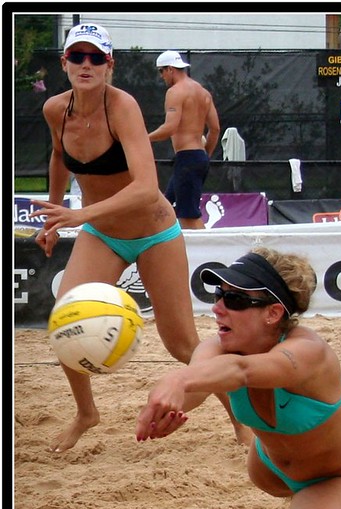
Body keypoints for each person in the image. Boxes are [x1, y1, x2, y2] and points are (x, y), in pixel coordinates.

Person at [33, 23, 248, 452]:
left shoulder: (122, 106)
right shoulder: (56, 109)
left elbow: (147, 188)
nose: (86, 64)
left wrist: (79, 213)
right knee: (65, 321)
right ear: (65, 64)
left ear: (110, 65)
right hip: (103, 233)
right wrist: (54, 215)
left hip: (153, 231)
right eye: (77, 56)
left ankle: (241, 421)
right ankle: (86, 413)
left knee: (182, 344)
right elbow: (59, 156)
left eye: (96, 57)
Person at [135, 246, 341, 509]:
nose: (217, 307)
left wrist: (178, 378)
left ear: (273, 313)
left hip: (337, 477)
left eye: (234, 299)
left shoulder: (308, 352)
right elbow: (201, 384)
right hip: (268, 467)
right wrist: (164, 412)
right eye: (217, 295)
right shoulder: (217, 348)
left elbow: (242, 372)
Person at [149, 50, 220, 230]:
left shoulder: (175, 92)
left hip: (188, 158)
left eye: (161, 71)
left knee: (188, 217)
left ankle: (210, 254)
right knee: (164, 208)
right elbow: (215, 129)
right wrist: (205, 155)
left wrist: (142, 138)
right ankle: (156, 248)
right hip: (196, 158)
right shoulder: (203, 93)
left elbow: (169, 128)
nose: (161, 76)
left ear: (170, 69)